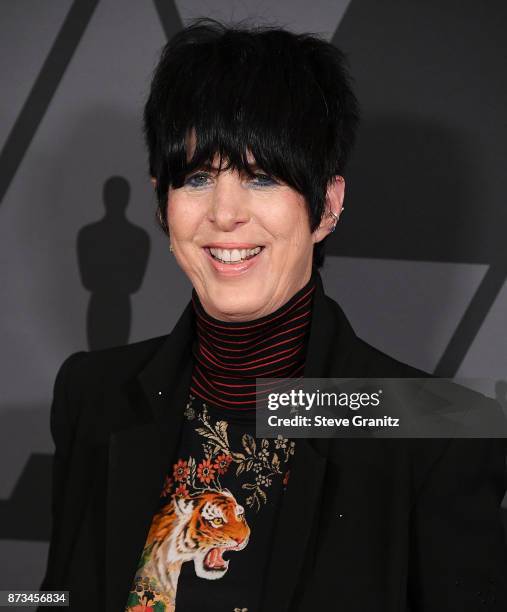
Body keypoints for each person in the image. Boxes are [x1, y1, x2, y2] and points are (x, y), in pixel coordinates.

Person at [38, 17, 507, 612]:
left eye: (261, 177)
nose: (224, 214)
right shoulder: (92, 396)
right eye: (198, 177)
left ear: (327, 206)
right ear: (162, 202)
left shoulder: (438, 431)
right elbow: (55, 597)